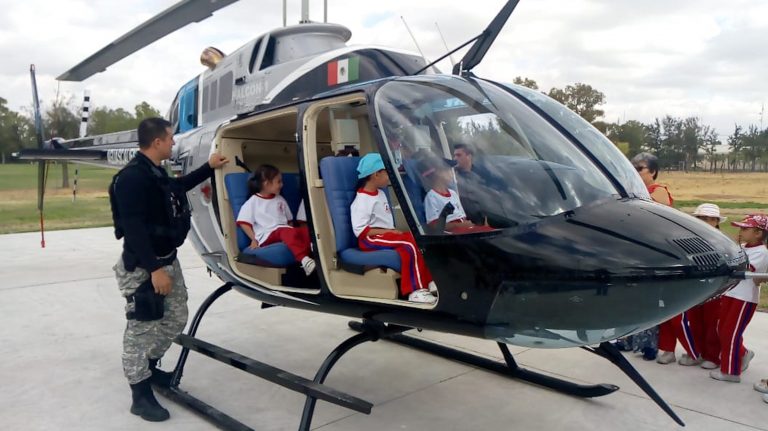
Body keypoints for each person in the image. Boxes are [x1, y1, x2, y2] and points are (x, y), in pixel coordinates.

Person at [110, 117, 228, 422]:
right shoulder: (132, 179)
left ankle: (149, 369)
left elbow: (175, 187)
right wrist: (154, 270)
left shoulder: (155, 173)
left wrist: (209, 167)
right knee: (141, 327)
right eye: (170, 138)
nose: (174, 142)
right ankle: (140, 393)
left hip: (166, 259)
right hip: (143, 265)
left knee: (176, 317)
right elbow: (133, 228)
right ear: (157, 142)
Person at [351, 153, 437, 304]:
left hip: (385, 235)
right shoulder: (362, 200)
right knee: (409, 245)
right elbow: (361, 231)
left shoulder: (381, 193)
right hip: (370, 239)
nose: (390, 176)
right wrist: (388, 232)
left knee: (418, 240)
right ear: (376, 174)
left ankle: (429, 281)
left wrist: (391, 233)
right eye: (387, 173)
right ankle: (415, 291)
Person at [709, 214, 768, 382]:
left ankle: (730, 372)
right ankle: (743, 354)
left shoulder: (762, 252)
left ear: (758, 233)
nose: (740, 231)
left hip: (744, 298)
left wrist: (735, 252)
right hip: (730, 293)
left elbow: (742, 268)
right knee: (722, 329)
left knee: (730, 333)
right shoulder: (743, 246)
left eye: (745, 228)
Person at [236, 164, 316, 275]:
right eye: (278, 182)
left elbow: (289, 221)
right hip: (266, 235)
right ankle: (304, 259)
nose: (282, 185)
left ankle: (315, 253)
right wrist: (254, 239)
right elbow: (244, 222)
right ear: (266, 184)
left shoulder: (280, 199)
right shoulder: (253, 201)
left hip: (284, 231)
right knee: (285, 232)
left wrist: (295, 234)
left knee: (305, 231)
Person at [690, 203, 728, 369]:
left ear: (717, 221)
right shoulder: (690, 238)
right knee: (695, 320)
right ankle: (697, 352)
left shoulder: (722, 240)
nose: (706, 222)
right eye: (702, 218)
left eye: (710, 219)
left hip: (715, 287)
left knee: (712, 322)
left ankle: (713, 356)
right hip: (695, 285)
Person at [418, 154, 493, 234]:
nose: (451, 173)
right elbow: (434, 225)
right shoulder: (432, 197)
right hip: (453, 233)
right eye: (448, 170)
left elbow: (462, 217)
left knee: (490, 230)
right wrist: (458, 225)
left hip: (465, 229)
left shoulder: (453, 193)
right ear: (438, 173)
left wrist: (469, 225)